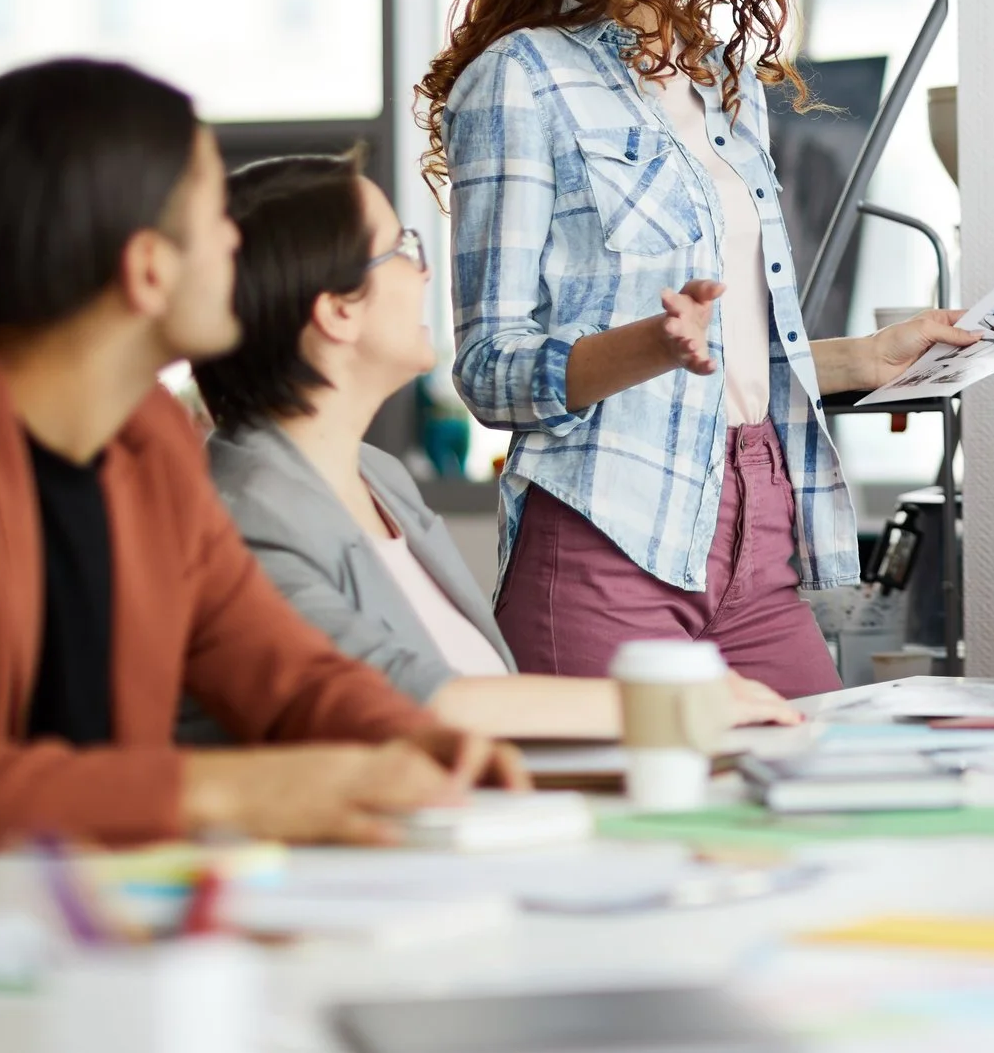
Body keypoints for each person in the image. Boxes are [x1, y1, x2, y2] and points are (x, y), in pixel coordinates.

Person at [0, 60, 523, 864]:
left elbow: (280, 666)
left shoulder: (150, 449)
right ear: (146, 268)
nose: (239, 244)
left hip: (116, 925)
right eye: (215, 218)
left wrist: (419, 740)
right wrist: (222, 790)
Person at [420, 0, 973, 697]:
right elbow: (490, 371)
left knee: (815, 799)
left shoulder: (726, 89)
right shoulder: (522, 80)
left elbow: (732, 350)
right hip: (607, 535)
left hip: (758, 529)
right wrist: (645, 344)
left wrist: (861, 361)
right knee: (640, 838)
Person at [190, 151, 800, 737]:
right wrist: (665, 705)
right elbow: (390, 697)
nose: (424, 268)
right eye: (401, 250)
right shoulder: (241, 518)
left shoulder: (376, 477)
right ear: (337, 312)